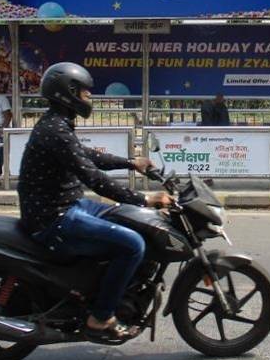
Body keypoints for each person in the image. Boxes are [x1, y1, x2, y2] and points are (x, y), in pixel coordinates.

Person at [18, 62, 171, 342]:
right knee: (132, 244)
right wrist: (145, 198)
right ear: (69, 93)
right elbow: (94, 178)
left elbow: (87, 156)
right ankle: (100, 317)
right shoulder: (54, 130)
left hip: (68, 205)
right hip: (54, 219)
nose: (90, 97)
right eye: (86, 93)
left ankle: (101, 286)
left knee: (125, 215)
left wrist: (130, 163)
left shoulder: (58, 125)